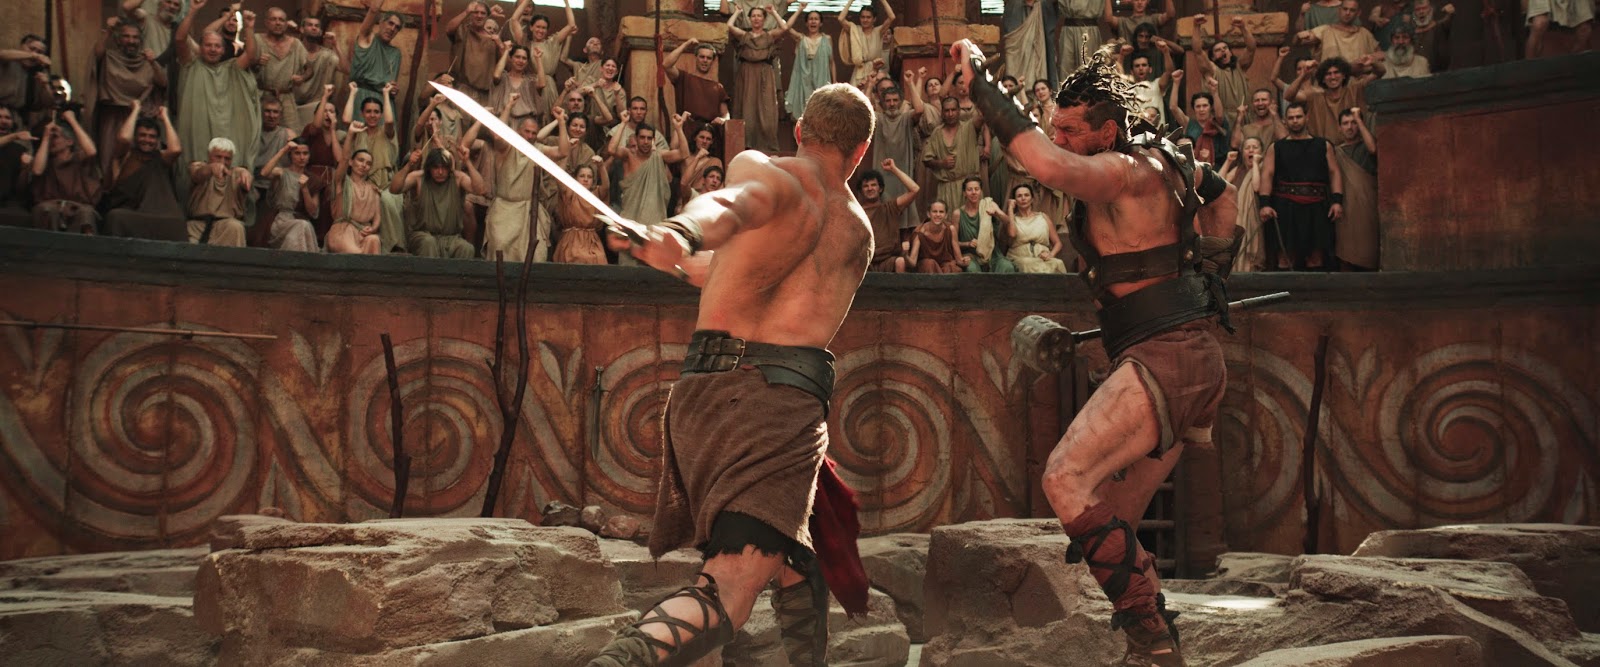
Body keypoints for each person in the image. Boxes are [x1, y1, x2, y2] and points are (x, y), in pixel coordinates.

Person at [953, 38, 1240, 666]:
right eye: (1054, 126)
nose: (1058, 139)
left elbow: (1047, 166)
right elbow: (1222, 196)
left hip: (1168, 359)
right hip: (1182, 355)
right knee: (1113, 520)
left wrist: (981, 86)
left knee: (1064, 477)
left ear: (1108, 132)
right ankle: (1151, 642)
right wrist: (1214, 272)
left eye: (1070, 131)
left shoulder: (1122, 172)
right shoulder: (1168, 161)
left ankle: (1153, 642)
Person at [587, 81, 876, 667]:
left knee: (797, 551)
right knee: (730, 590)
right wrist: (680, 232)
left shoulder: (769, 173)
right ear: (862, 150)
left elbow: (730, 241)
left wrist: (671, 243)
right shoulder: (857, 231)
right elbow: (727, 208)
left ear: (801, 130)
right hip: (773, 412)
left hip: (708, 399)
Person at [468, 99, 572, 262]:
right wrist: (508, 106)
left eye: (533, 133)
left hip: (528, 210)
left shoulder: (537, 149)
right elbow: (497, 134)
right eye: (527, 132)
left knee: (537, 254)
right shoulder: (506, 147)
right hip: (504, 210)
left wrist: (561, 122)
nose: (530, 136)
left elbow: (563, 152)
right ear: (518, 131)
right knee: (500, 248)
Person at [174, 0, 261, 172]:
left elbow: (251, 55)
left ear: (223, 50)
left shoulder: (232, 68)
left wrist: (249, 28)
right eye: (208, 45)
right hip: (197, 132)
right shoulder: (190, 65)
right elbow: (179, 39)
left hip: (227, 130)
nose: (213, 49)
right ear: (200, 48)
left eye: (217, 46)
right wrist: (192, 11)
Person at [1258, 102, 1342, 271]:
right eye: (1291, 118)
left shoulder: (1323, 145)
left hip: (1317, 206)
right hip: (1285, 207)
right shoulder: (1277, 147)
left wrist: (1337, 201)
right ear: (1285, 120)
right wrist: (1265, 204)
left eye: (1298, 117)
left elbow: (1334, 173)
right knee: (1285, 257)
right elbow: (1267, 175)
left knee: (1316, 257)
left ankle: (1313, 289)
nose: (1295, 121)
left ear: (1306, 117)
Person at [103, 101, 186, 241]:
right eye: (142, 135)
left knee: (177, 221)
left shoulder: (159, 158)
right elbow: (124, 138)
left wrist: (165, 118)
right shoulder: (125, 156)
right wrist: (135, 110)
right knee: (115, 217)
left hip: (159, 216)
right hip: (132, 214)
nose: (147, 140)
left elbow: (176, 149)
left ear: (157, 140)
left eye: (152, 136)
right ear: (135, 137)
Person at [611, 115, 688, 263]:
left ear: (653, 140)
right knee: (628, 269)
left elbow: (684, 153)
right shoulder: (629, 156)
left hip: (654, 226)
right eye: (642, 138)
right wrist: (623, 123)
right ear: (636, 138)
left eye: (649, 138)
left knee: (653, 269)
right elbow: (611, 149)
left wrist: (678, 128)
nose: (645, 142)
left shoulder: (659, 156)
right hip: (631, 225)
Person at [391, 144, 485, 259]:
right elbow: (394, 189)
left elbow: (481, 190)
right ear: (429, 168)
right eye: (436, 168)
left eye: (444, 168)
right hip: (423, 235)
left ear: (449, 168)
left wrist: (468, 162)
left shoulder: (458, 178)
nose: (440, 172)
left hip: (451, 238)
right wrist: (409, 165)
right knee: (428, 243)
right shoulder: (419, 178)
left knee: (467, 248)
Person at [342, 81, 404, 252]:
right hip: (362, 184)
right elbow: (346, 119)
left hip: (386, 184)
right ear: (362, 113)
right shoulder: (359, 131)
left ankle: (394, 247)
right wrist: (353, 92)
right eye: (368, 111)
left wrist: (386, 94)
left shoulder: (386, 132)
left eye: (376, 112)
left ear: (381, 114)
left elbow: (389, 121)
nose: (372, 115)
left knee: (386, 200)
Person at [868, 71, 927, 231]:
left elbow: (919, 109)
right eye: (888, 101)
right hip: (882, 175)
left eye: (895, 100)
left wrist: (910, 83)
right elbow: (863, 111)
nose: (892, 104)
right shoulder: (878, 119)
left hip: (902, 174)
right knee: (884, 212)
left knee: (905, 216)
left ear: (900, 102)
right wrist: (871, 85)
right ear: (882, 103)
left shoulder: (906, 118)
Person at [29, 111, 101, 235]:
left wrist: (72, 120)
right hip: (50, 204)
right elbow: (37, 170)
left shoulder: (78, 158)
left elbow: (91, 151)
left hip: (77, 205)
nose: (52, 140)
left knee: (86, 213)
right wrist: (46, 137)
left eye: (55, 137)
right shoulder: (45, 158)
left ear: (69, 142)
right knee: (47, 210)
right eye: (50, 137)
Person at [728, 5, 784, 152]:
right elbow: (730, 26)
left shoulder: (769, 35)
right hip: (747, 73)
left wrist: (774, 12)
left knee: (766, 108)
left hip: (765, 73)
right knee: (746, 106)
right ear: (749, 19)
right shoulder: (744, 36)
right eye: (753, 16)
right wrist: (737, 12)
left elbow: (784, 28)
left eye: (759, 16)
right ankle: (746, 144)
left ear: (764, 19)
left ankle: (766, 146)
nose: (756, 18)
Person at [922, 96, 987, 223]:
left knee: (973, 225)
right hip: (947, 188)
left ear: (959, 111)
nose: (950, 114)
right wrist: (941, 163)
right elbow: (926, 160)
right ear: (942, 113)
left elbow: (983, 115)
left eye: (953, 110)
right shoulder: (937, 133)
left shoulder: (969, 127)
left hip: (969, 187)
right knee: (948, 226)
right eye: (947, 110)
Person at [1286, 56, 1377, 141]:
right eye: (1328, 74)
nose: (1333, 77)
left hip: (1356, 147)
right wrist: (1303, 75)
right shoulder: (1314, 97)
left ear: (1344, 75)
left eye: (1336, 72)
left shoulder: (1355, 89)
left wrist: (1373, 62)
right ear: (1323, 79)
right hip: (1324, 149)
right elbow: (1288, 96)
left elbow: (1379, 72)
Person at [255, 136, 320, 252]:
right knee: (301, 226)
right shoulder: (282, 173)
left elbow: (313, 212)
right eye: (297, 153)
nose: (302, 157)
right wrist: (284, 150)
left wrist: (305, 189)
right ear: (290, 155)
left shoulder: (313, 179)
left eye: (305, 153)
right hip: (281, 221)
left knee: (303, 226)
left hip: (302, 222)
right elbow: (264, 173)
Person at [185, 136, 252, 246]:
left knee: (235, 227)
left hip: (227, 227)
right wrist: (211, 168)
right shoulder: (198, 167)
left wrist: (245, 174)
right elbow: (197, 174)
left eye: (227, 158)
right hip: (198, 226)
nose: (222, 162)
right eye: (218, 157)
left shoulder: (236, 174)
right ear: (209, 156)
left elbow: (244, 175)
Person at [1333, 107, 1377, 270]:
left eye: (1353, 123)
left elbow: (1373, 148)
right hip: (1346, 206)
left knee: (1368, 247)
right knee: (1345, 251)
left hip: (1367, 205)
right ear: (1339, 127)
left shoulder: (1366, 147)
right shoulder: (1336, 151)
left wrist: (1359, 119)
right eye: (1345, 123)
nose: (1350, 127)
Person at [857, 158, 920, 272]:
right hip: (865, 261)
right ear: (861, 191)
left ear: (880, 189)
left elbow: (914, 189)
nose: (870, 188)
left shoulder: (890, 208)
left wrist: (893, 169)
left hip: (888, 260)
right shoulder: (857, 212)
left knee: (900, 262)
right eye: (866, 186)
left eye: (873, 185)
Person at [990, 183, 1068, 273]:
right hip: (1020, 258)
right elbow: (1012, 234)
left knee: (1058, 263)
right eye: (1019, 196)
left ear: (1032, 199)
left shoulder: (1043, 217)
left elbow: (1058, 243)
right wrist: (1010, 209)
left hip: (1042, 257)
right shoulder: (1012, 220)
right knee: (1028, 264)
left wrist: (1051, 254)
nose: (1023, 198)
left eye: (1026, 195)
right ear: (1015, 200)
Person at [1189, 15, 1257, 118]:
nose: (1222, 50)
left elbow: (1251, 48)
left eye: (1225, 48)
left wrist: (1243, 27)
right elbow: (1198, 51)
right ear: (1212, 57)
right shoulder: (1211, 70)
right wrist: (1196, 26)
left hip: (1244, 117)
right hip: (1220, 119)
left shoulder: (1240, 67)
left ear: (1230, 52)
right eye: (1218, 50)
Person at [665, 40, 732, 141]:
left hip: (708, 136)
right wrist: (686, 44)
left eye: (709, 58)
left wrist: (723, 119)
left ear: (713, 61)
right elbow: (666, 65)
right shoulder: (684, 78)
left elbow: (726, 114)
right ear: (696, 58)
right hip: (686, 132)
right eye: (702, 57)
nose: (705, 60)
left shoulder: (718, 87)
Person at [255, 8, 309, 128]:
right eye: (273, 19)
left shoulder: (296, 44)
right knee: (258, 132)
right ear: (266, 22)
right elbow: (243, 66)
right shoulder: (257, 40)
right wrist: (256, 61)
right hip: (261, 96)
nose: (278, 23)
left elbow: (310, 68)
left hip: (286, 97)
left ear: (286, 24)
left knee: (293, 134)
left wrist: (302, 77)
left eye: (281, 20)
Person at [326, 142, 383, 255]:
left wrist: (372, 229)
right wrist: (350, 135)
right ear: (351, 162)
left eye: (368, 163)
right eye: (360, 160)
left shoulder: (373, 189)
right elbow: (344, 159)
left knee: (374, 240)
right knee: (355, 254)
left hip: (363, 232)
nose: (364, 165)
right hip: (343, 230)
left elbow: (377, 217)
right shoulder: (342, 182)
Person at [292, 16, 348, 126]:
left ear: (321, 32)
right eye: (310, 25)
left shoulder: (327, 55)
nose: (314, 28)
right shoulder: (293, 51)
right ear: (302, 29)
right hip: (292, 105)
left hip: (317, 107)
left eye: (317, 26)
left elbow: (346, 69)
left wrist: (336, 45)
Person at [350, 0, 403, 112]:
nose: (392, 29)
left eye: (397, 27)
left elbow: (391, 83)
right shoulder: (367, 38)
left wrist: (393, 89)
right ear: (381, 22)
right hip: (363, 97)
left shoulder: (396, 53)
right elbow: (374, 10)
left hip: (385, 102)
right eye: (390, 23)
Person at [552, 161, 610, 264]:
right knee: (576, 257)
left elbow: (606, 186)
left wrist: (601, 166)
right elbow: (558, 177)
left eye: (589, 177)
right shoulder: (570, 194)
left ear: (593, 181)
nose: (586, 179)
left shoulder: (596, 195)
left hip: (592, 241)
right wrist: (565, 156)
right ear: (575, 178)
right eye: (582, 176)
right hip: (572, 240)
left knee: (599, 259)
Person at [784, 6, 835, 122]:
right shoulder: (800, 38)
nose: (813, 21)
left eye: (816, 19)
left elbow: (832, 62)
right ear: (806, 23)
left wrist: (834, 81)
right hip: (803, 81)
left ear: (821, 23)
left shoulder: (827, 39)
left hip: (821, 80)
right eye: (810, 19)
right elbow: (786, 27)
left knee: (821, 113)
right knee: (802, 115)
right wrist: (799, 9)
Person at [954, 177, 1016, 273]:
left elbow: (1008, 221)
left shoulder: (989, 204)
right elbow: (953, 242)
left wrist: (997, 214)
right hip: (970, 255)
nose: (974, 192)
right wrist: (967, 244)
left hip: (992, 254)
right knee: (972, 270)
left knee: (1007, 267)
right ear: (964, 193)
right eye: (969, 190)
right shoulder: (958, 214)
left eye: (976, 189)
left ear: (981, 191)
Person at [1167, 74, 1231, 165]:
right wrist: (1176, 83)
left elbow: (1220, 115)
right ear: (1194, 108)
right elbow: (1173, 108)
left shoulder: (1217, 122)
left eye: (1205, 106)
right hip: (1194, 166)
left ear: (1211, 107)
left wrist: (1214, 92)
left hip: (1218, 166)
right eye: (1198, 106)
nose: (1201, 109)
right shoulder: (1188, 123)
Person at [1003, 0, 1058, 97]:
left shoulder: (1043, 5)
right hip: (1016, 31)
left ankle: (1037, 94)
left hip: (1039, 21)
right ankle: (1014, 94)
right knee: (1013, 68)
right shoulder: (1013, 6)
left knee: (1037, 65)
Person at [1297, 0, 1380, 63]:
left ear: (1357, 13)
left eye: (1352, 10)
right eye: (1345, 9)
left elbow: (1380, 53)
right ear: (1339, 10)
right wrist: (1302, 14)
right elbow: (1300, 37)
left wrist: (1370, 59)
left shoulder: (1363, 32)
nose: (1348, 13)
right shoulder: (1324, 28)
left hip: (1355, 62)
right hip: (1326, 50)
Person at [1229, 136, 1268, 272]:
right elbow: (1222, 180)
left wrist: (1256, 164)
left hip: (1254, 215)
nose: (1251, 150)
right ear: (1242, 152)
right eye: (1247, 148)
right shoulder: (1238, 170)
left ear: (1262, 151)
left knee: (1253, 249)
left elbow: (1256, 187)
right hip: (1237, 217)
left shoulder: (1264, 168)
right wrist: (1228, 162)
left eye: (1255, 147)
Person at [838, 0, 895, 87]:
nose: (865, 20)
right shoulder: (855, 30)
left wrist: (883, 1)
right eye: (863, 17)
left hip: (875, 70)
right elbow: (840, 19)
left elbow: (892, 17)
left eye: (868, 17)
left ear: (874, 19)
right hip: (859, 72)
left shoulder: (878, 31)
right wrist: (850, 1)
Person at [909, 200, 963, 273]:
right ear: (929, 214)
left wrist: (965, 261)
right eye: (934, 211)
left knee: (951, 266)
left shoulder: (950, 229)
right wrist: (905, 255)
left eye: (941, 212)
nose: (938, 214)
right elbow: (912, 262)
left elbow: (959, 259)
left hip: (944, 265)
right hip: (927, 267)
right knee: (930, 264)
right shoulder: (919, 233)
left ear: (946, 215)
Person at [1231, 88, 1287, 153]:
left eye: (1264, 100)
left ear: (1272, 102)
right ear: (1252, 104)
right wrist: (1238, 119)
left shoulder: (1279, 125)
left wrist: (1275, 115)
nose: (1260, 103)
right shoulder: (1246, 128)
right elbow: (1235, 145)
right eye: (1257, 100)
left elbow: (1284, 140)